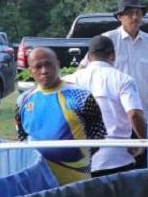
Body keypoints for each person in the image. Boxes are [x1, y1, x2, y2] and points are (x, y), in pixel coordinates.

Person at [16, 47, 106, 184]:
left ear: (57, 64)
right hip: (37, 181)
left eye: (48, 64)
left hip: (76, 180)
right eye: (38, 67)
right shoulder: (22, 100)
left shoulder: (82, 96)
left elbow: (98, 134)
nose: (44, 71)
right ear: (30, 71)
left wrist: (78, 159)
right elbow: (22, 137)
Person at [69, 35, 145, 178]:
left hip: (81, 160)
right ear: (112, 55)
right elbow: (134, 113)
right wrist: (143, 140)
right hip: (117, 159)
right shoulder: (123, 79)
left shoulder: (70, 80)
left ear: (89, 57)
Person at [104, 0, 148, 125]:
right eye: (129, 13)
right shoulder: (107, 41)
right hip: (114, 121)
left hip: (145, 118)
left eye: (138, 13)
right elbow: (89, 69)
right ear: (120, 17)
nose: (135, 17)